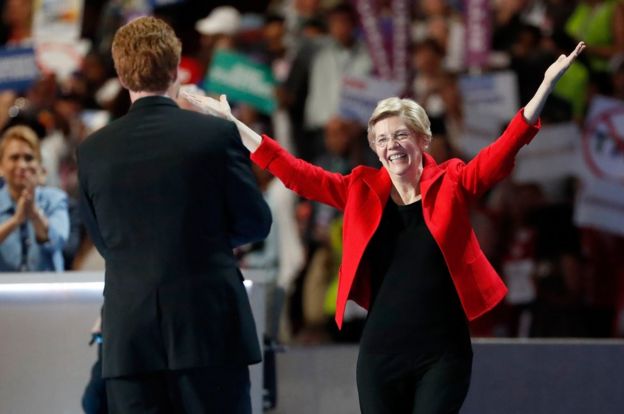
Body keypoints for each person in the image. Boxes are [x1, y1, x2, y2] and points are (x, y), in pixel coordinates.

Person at [184, 41, 586, 413]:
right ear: (374, 149)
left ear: (424, 140)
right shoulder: (359, 188)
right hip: (381, 352)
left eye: (401, 135)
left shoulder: (453, 180)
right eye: (381, 139)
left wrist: (544, 88)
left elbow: (502, 151)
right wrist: (235, 125)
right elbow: (297, 174)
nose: (391, 144)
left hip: (443, 352)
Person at [77, 16, 272, 414]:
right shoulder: (214, 135)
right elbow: (255, 221)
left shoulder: (92, 151)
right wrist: (202, 239)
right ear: (175, 67)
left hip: (131, 339)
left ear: (119, 71)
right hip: (210, 330)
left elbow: (105, 241)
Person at [0, 125, 69, 271]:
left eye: (29, 158)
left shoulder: (55, 199)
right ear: (1, 166)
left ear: (39, 164)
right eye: (14, 157)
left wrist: (34, 214)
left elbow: (58, 241)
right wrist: (15, 221)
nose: (22, 164)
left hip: (47, 290)